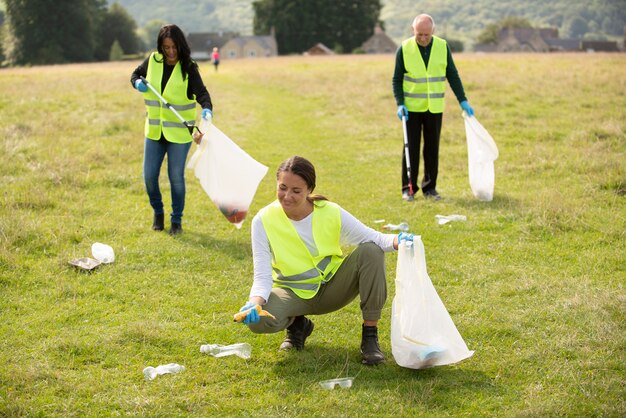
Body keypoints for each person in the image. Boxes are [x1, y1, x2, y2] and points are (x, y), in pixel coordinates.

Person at [236, 156, 415, 365]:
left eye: (296, 191)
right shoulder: (262, 220)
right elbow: (262, 275)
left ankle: (369, 337)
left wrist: (397, 240)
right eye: (282, 188)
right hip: (292, 292)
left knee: (371, 251)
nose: (287, 196)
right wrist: (254, 304)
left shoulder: (329, 211)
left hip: (333, 288)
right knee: (259, 322)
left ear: (309, 189)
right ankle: (297, 326)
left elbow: (372, 238)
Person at [130, 24, 213, 235]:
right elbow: (135, 75)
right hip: (155, 132)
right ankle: (158, 212)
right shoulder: (153, 60)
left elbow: (202, 93)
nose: (171, 52)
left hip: (179, 134)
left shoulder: (188, 67)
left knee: (175, 177)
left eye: (174, 47)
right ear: (160, 46)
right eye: (166, 47)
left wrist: (207, 110)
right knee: (149, 176)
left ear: (180, 45)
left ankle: (176, 220)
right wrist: (137, 82)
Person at [392, 14, 474, 202]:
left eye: (426, 35)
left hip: (434, 108)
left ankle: (430, 188)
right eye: (419, 34)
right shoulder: (404, 49)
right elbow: (396, 79)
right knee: (410, 149)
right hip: (411, 109)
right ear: (413, 31)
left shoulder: (442, 46)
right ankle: (408, 188)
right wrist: (400, 103)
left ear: (433, 31)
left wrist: (463, 100)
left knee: (431, 149)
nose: (422, 38)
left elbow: (452, 75)